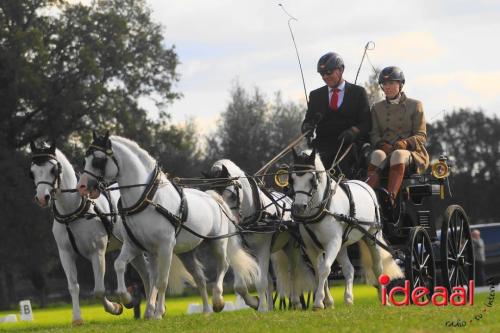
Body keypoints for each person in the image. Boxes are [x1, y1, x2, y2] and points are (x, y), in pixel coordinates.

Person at [301, 52, 371, 179]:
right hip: (322, 145)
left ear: (341, 70)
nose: (325, 77)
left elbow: (366, 123)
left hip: (348, 145)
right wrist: (307, 127)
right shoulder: (316, 95)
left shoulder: (358, 92)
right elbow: (308, 120)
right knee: (303, 168)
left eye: (329, 72)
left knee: (340, 168)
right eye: (322, 74)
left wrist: (353, 131)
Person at [366, 66, 429, 205]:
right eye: (384, 84)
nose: (387, 87)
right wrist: (381, 144)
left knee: (398, 154)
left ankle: (391, 199)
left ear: (400, 84)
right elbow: (374, 134)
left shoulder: (415, 105)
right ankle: (370, 200)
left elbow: (421, 135)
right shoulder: (377, 108)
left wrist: (406, 143)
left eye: (392, 83)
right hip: (385, 151)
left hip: (412, 153)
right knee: (376, 154)